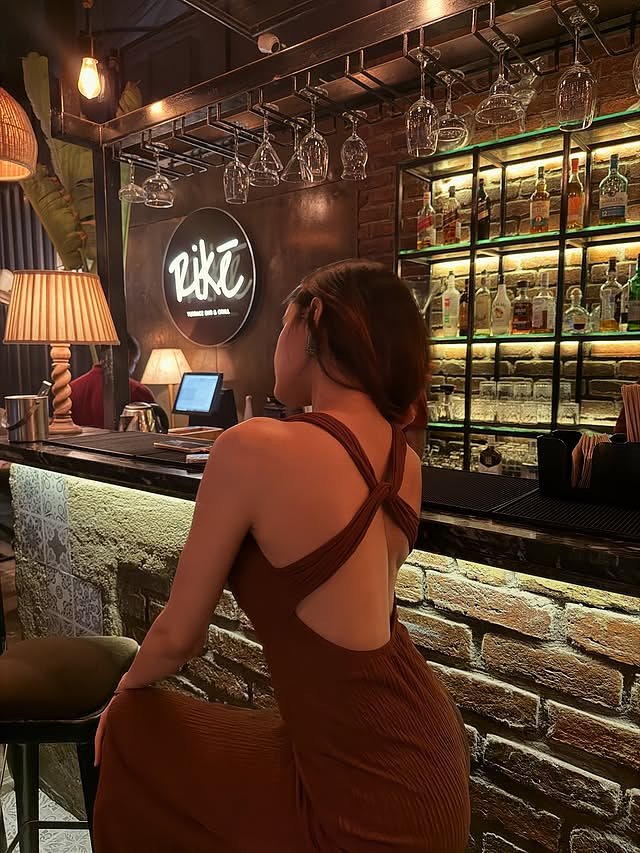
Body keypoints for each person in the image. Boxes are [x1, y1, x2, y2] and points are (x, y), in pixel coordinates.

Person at [93, 260, 471, 853]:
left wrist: (119, 696)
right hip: (431, 762)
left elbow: (178, 637)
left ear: (313, 321)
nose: (275, 344)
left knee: (129, 729)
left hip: (366, 799)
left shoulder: (251, 447)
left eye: (281, 325)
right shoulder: (407, 464)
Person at [70, 333, 156, 428]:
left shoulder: (71, 389)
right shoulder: (138, 391)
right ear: (127, 357)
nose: (134, 369)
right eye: (134, 362)